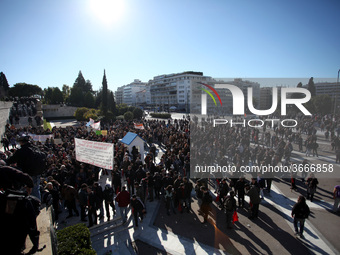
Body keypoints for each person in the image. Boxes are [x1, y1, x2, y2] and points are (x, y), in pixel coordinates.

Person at [0, 166, 41, 255]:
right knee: (15, 222)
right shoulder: (4, 170)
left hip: (10, 203)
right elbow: (26, 178)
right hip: (11, 203)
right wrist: (29, 186)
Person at [7, 135, 46, 200]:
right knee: (36, 189)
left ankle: (31, 206)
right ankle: (37, 205)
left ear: (21, 142)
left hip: (27, 173)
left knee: (27, 190)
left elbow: (11, 160)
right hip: (38, 173)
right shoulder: (35, 148)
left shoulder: (22, 150)